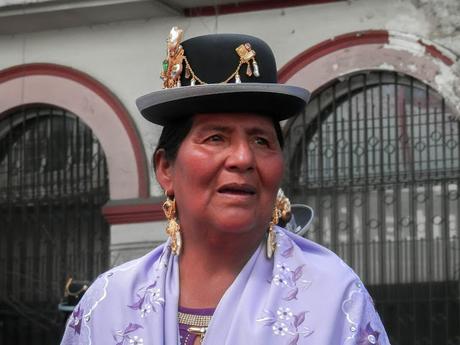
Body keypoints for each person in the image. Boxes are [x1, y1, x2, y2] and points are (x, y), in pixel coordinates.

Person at [61, 27, 390, 345]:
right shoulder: (108, 304)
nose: (243, 158)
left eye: (261, 140)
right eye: (216, 137)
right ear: (165, 168)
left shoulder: (332, 297)